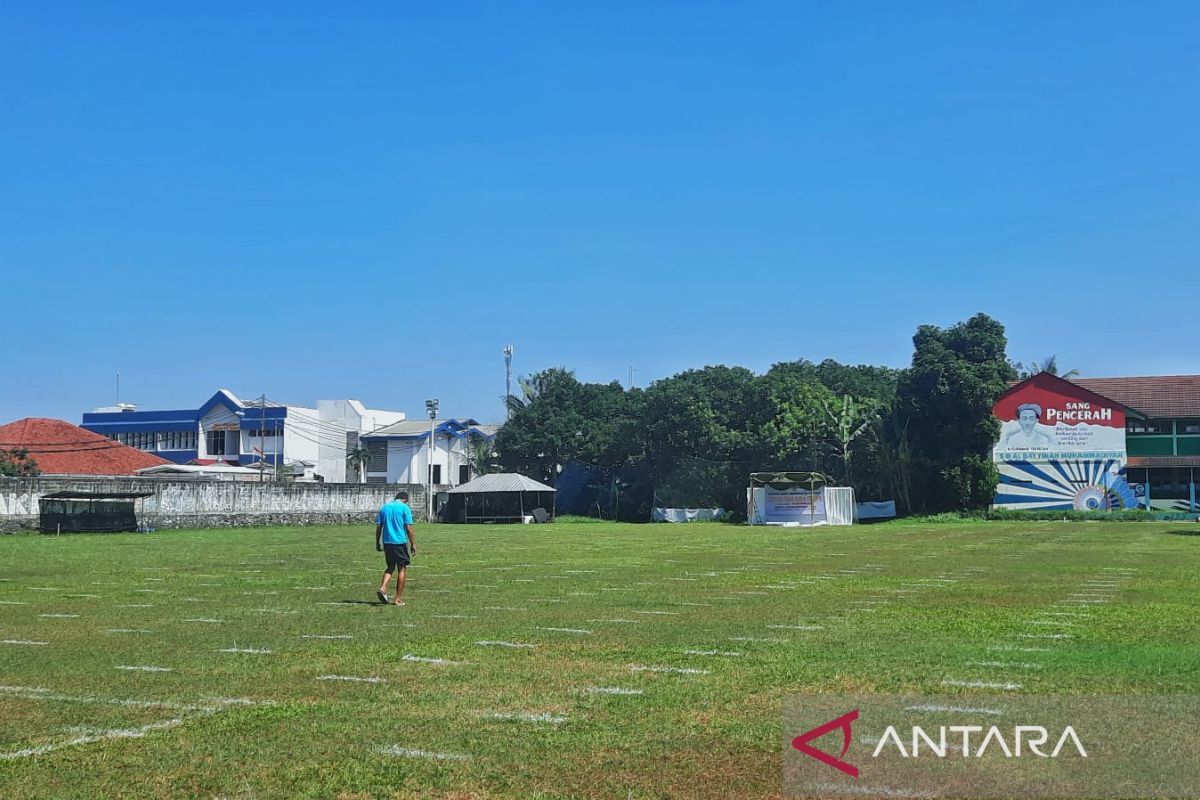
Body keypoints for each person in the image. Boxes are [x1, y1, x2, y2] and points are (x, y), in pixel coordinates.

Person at [375, 491, 416, 606]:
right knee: (401, 569)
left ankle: (383, 587)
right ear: (405, 499)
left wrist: (378, 542)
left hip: (387, 542)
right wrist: (413, 544)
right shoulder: (404, 508)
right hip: (399, 542)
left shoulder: (384, 508)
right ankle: (397, 599)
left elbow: (379, 527)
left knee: (390, 566)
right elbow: (408, 528)